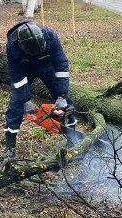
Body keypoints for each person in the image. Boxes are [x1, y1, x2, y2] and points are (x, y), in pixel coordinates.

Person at [4, 20, 74, 159]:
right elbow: (17, 76)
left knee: (65, 100)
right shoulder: (13, 47)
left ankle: (72, 136)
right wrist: (25, 100)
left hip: (47, 64)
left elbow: (61, 65)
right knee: (16, 103)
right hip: (26, 68)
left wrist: (62, 95)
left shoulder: (50, 36)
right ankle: (10, 146)